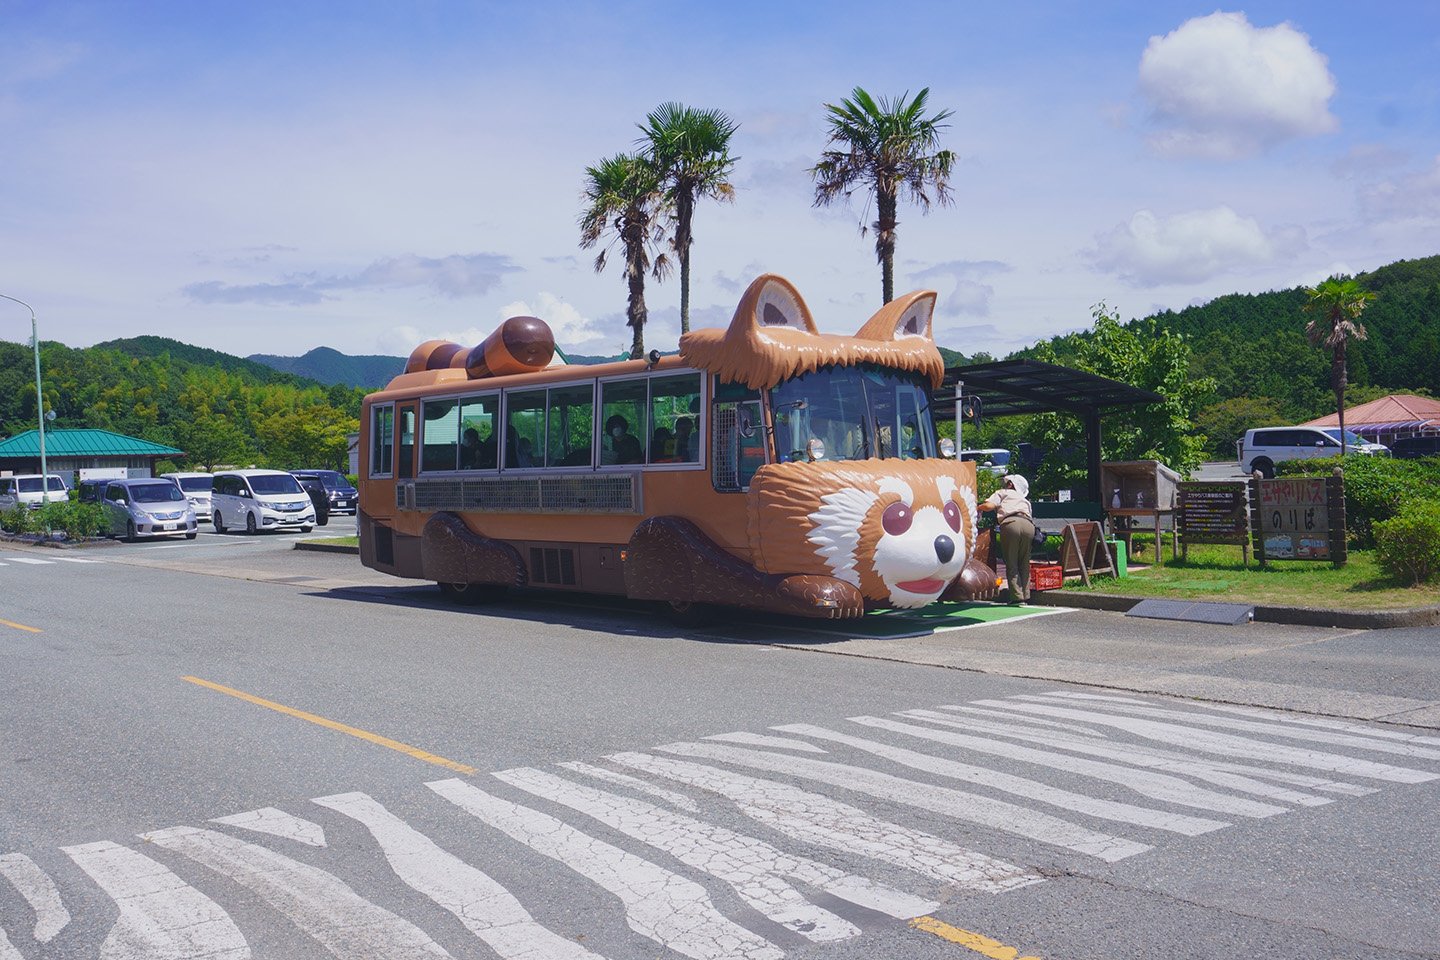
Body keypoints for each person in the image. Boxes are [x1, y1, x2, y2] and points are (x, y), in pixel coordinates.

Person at [980, 473, 1034, 604]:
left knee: (1012, 561)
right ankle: (1026, 594)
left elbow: (989, 506)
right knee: (1024, 561)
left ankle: (1017, 597)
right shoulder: (1024, 499)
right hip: (1028, 525)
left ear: (1011, 484)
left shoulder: (1002, 492)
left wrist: (978, 507)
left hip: (1010, 524)